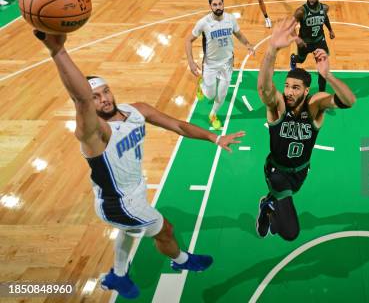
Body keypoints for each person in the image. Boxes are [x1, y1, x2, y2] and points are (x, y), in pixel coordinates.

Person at [32, 30, 245, 299]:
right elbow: (81, 99)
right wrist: (58, 51)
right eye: (95, 97)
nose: (104, 99)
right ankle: (181, 260)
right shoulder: (95, 134)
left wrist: (215, 138)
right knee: (164, 229)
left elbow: (178, 125)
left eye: (105, 91)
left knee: (131, 230)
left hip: (132, 190)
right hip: (118, 203)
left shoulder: (136, 110)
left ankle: (118, 276)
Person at [256, 17, 356, 240]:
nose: (289, 92)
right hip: (277, 171)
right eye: (287, 86)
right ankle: (269, 208)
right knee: (290, 233)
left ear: (306, 90)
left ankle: (269, 204)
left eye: (295, 88)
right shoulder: (279, 105)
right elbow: (264, 89)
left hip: (301, 171)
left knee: (284, 200)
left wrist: (328, 75)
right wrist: (272, 49)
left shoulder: (314, 105)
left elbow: (349, 101)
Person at [185, 0, 255, 130]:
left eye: (220, 4)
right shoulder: (203, 22)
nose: (218, 7)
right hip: (210, 65)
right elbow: (188, 40)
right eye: (215, 5)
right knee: (210, 95)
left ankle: (213, 114)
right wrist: (191, 62)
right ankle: (202, 85)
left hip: (227, 63)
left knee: (222, 94)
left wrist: (248, 44)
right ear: (210, 6)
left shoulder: (231, 19)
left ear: (223, 4)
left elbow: (238, 34)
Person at [290, 0, 335, 92]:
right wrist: (297, 39)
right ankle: (293, 58)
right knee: (300, 60)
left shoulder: (324, 8)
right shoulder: (301, 11)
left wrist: (330, 30)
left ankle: (321, 93)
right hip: (305, 43)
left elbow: (325, 17)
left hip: (319, 41)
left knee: (323, 69)